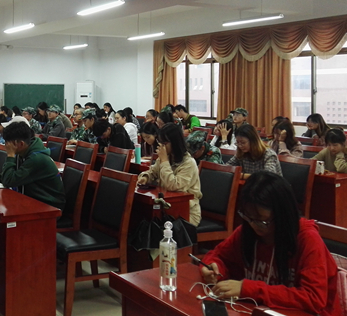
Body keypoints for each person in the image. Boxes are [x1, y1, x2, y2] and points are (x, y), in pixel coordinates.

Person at [201, 171, 340, 316]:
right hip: (259, 310)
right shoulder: (247, 231)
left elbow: (313, 298)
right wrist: (213, 268)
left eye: (262, 220)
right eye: (249, 217)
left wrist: (249, 289)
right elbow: (217, 255)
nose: (254, 225)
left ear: (281, 215)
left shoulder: (307, 239)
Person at [0, 122, 65, 211]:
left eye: (8, 143)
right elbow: (13, 176)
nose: (6, 146)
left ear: (20, 144)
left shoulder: (37, 158)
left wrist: (10, 156)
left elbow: (9, 181)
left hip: (49, 206)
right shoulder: (24, 151)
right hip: (31, 199)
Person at [137, 123, 202, 226]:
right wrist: (145, 178)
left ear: (175, 142)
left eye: (165, 143)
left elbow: (173, 186)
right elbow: (152, 172)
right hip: (166, 207)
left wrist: (164, 161)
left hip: (186, 211)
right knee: (141, 218)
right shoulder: (166, 157)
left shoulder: (188, 163)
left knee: (153, 226)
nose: (161, 146)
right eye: (160, 142)